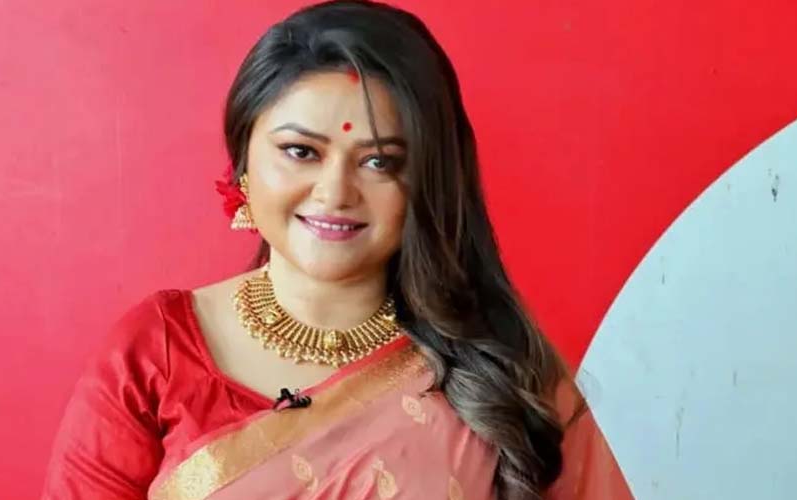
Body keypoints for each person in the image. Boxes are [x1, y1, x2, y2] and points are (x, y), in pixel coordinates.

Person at [41, 1, 633, 498]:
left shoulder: (502, 372)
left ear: (428, 183)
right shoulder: (155, 357)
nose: (335, 192)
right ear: (243, 162)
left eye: (380, 162)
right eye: (301, 152)